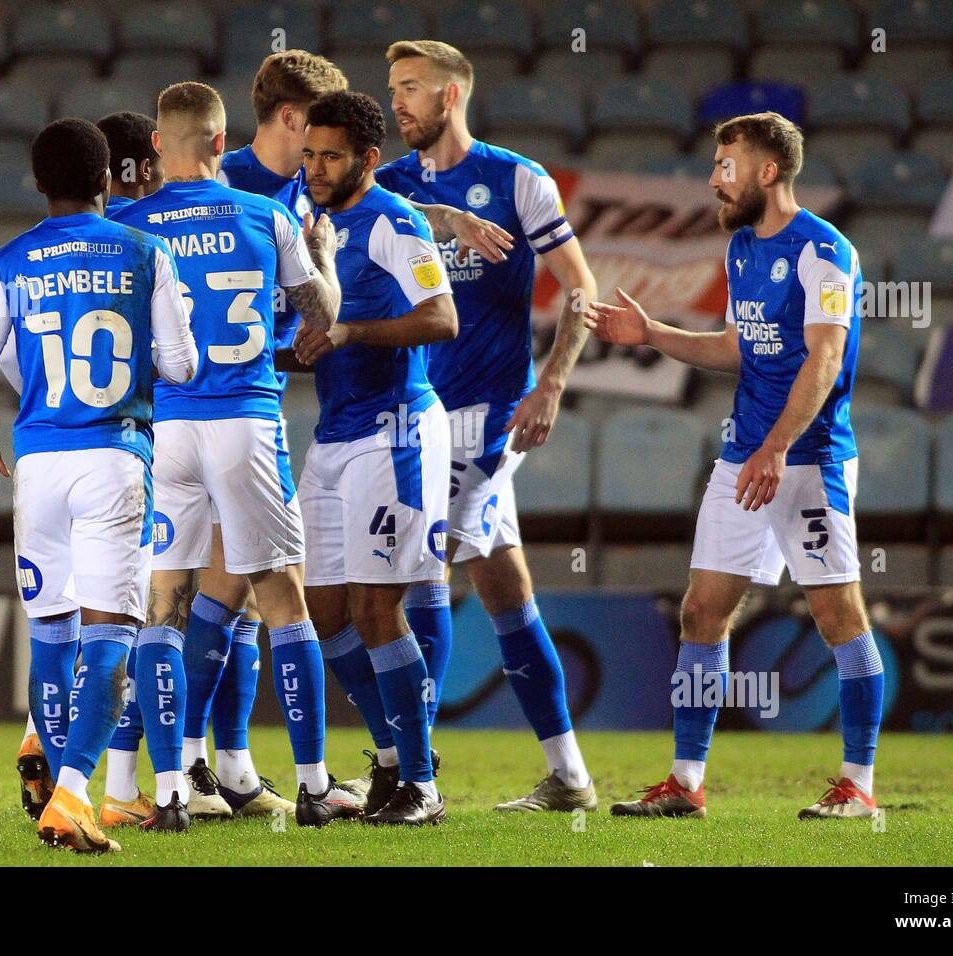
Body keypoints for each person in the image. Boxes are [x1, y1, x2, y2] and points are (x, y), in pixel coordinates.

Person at [587, 112, 882, 820]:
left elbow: (826, 357)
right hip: (743, 459)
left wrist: (778, 447)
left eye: (727, 166)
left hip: (808, 461)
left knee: (838, 615)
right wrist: (653, 334)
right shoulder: (743, 248)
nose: (715, 180)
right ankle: (686, 783)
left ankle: (858, 785)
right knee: (702, 611)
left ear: (768, 170)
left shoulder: (825, 252)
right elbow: (737, 348)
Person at [111, 81, 362, 828]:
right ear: (223, 143)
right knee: (283, 600)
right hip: (248, 421)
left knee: (164, 609)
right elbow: (321, 317)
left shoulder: (130, 224)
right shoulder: (268, 214)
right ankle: (315, 787)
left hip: (169, 431)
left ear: (158, 146)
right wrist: (325, 256)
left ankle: (166, 793)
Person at [0, 117, 197, 851]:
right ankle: (72, 796)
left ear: (37, 184)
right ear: (105, 181)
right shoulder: (146, 249)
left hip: (38, 464)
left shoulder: (7, 261)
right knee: (110, 636)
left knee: (51, 638)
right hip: (115, 458)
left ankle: (61, 789)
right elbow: (183, 367)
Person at [372, 40, 600, 812]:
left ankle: (412, 775)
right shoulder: (389, 185)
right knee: (502, 584)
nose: (397, 101)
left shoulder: (515, 180)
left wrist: (554, 383)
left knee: (420, 571)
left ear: (454, 93)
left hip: (495, 415)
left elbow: (581, 290)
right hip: (418, 415)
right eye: (393, 88)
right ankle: (568, 776)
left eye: (411, 88)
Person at [293, 90, 457, 826]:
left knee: (374, 605)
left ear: (367, 159)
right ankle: (393, 757)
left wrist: (351, 334)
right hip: (334, 434)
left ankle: (422, 785)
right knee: (322, 609)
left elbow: (441, 317)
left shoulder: (395, 221)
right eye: (308, 153)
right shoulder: (311, 225)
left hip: (394, 433)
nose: (316, 167)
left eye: (330, 156)